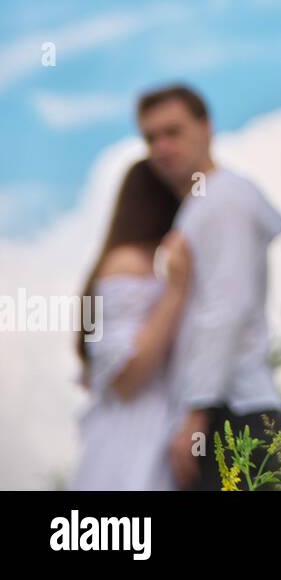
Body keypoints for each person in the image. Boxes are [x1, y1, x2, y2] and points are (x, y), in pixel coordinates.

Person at [135, 84, 281, 490]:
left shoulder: (225, 200)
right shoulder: (201, 205)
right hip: (220, 409)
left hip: (232, 409)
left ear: (206, 127)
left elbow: (226, 309)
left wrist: (195, 415)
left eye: (173, 131)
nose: (162, 146)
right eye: (151, 138)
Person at [71, 159, 192, 490]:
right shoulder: (127, 265)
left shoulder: (138, 265)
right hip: (135, 448)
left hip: (142, 437)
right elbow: (127, 376)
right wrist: (177, 292)